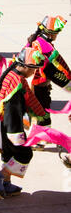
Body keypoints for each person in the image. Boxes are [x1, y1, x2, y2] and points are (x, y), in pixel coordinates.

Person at [0, 46, 50, 199]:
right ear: (24, 66)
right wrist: (16, 136)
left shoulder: (15, 74)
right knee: (24, 153)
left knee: (9, 152)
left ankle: (6, 184)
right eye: (32, 69)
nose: (33, 73)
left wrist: (41, 114)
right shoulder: (16, 87)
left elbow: (29, 96)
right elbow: (12, 113)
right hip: (7, 123)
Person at [26, 16, 71, 147]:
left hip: (36, 84)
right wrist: (68, 81)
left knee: (40, 113)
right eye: (56, 32)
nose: (57, 35)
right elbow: (58, 67)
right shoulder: (45, 46)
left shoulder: (37, 40)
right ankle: (37, 142)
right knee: (42, 114)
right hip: (37, 85)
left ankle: (39, 139)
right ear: (50, 32)